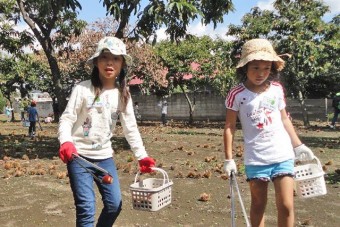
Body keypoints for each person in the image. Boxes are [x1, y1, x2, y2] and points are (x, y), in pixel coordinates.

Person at [58, 36, 156, 227]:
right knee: (86, 210)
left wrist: (142, 155)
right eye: (104, 57)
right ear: (96, 62)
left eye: (116, 58)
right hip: (79, 158)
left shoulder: (122, 94)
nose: (110, 62)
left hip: (104, 158)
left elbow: (130, 128)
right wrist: (66, 141)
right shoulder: (82, 89)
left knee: (114, 205)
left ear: (122, 64)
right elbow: (67, 118)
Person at [223, 39, 315, 227]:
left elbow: (284, 119)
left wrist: (298, 145)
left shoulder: (276, 90)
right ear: (245, 67)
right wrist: (228, 159)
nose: (260, 73)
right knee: (258, 205)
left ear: (272, 68)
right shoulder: (237, 94)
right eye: (255, 67)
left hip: (282, 155)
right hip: (256, 159)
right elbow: (229, 127)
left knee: (287, 205)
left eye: (266, 68)